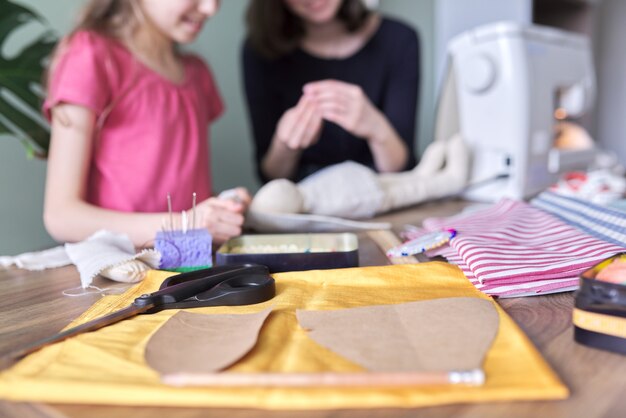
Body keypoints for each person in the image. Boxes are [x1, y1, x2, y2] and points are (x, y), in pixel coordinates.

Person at [43, 0, 250, 247]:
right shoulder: (91, 55)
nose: (210, 8)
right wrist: (182, 225)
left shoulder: (198, 74)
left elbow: (176, 193)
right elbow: (61, 216)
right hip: (118, 272)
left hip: (188, 269)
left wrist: (222, 208)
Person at [243, 0, 419, 183]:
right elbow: (271, 177)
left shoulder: (399, 39)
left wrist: (375, 127)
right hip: (303, 200)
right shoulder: (260, 51)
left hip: (382, 192)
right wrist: (285, 144)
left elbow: (402, 169)